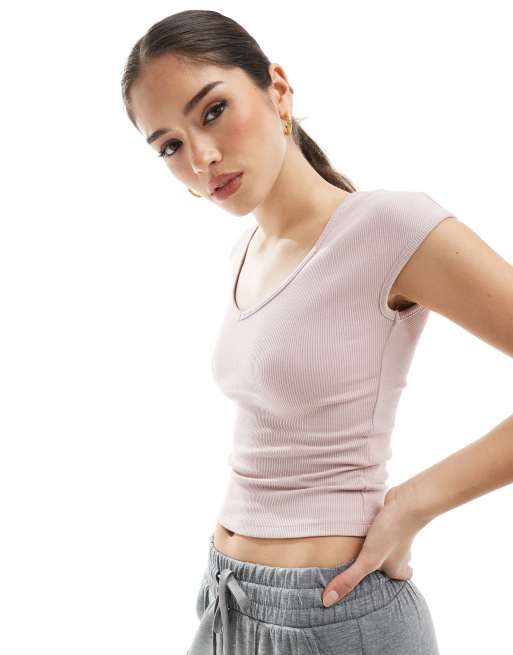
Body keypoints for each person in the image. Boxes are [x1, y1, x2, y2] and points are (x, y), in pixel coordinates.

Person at [121, 10, 513, 655]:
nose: (201, 158)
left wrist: (414, 503)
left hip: (332, 613)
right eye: (169, 146)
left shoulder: (387, 225)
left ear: (277, 89)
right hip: (225, 601)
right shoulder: (246, 252)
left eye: (213, 111)